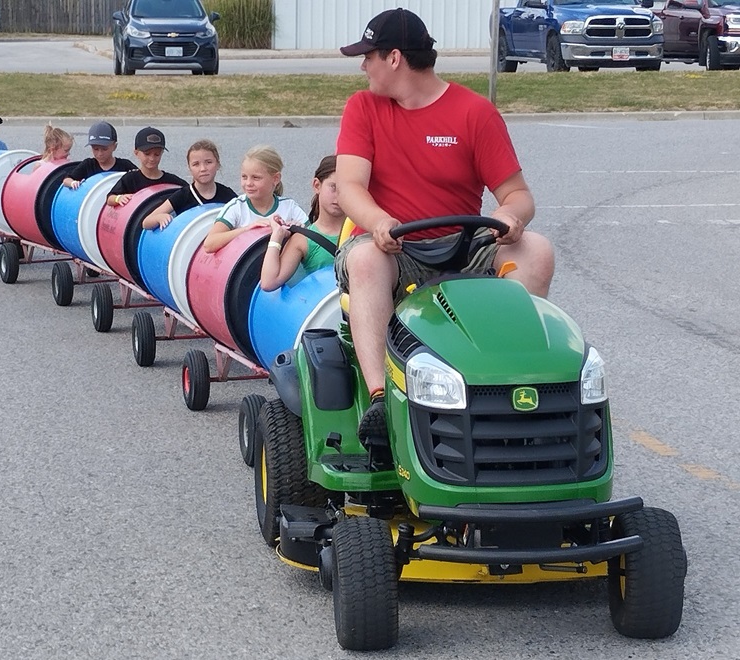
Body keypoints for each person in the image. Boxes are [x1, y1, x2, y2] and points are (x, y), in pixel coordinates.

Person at [333, 8, 555, 440]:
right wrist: (378, 221)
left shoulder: (474, 113)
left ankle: (508, 382)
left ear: (394, 58)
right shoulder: (363, 107)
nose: (363, 66)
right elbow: (350, 187)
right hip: (392, 248)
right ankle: (381, 400)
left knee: (537, 250)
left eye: (368, 56)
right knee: (365, 261)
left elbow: (518, 195)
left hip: (463, 247)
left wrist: (510, 216)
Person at [260, 155, 344, 291]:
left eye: (347, 189)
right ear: (317, 185)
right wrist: (276, 236)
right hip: (325, 303)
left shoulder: (363, 232)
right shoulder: (303, 239)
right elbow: (269, 283)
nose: (339, 196)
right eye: (333, 187)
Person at [202, 145, 307, 253]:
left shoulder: (289, 207)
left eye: (256, 178)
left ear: (275, 179)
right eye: (244, 177)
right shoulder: (236, 207)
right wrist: (247, 229)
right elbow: (209, 244)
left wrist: (299, 230)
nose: (248, 183)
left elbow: (314, 241)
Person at [142, 139, 237, 230]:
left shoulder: (227, 195)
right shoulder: (183, 195)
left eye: (208, 162)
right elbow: (146, 222)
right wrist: (159, 218)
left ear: (218, 164)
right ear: (189, 168)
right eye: (196, 164)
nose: (203, 169)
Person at [106, 127, 187, 207]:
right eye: (147, 154)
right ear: (136, 153)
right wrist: (118, 198)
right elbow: (109, 198)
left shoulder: (172, 181)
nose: (152, 158)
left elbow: (189, 192)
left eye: (157, 154)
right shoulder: (130, 179)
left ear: (162, 153)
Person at [61, 121, 134, 189]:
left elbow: (139, 177)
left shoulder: (125, 166)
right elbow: (66, 180)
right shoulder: (88, 165)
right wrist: (73, 183)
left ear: (114, 146)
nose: (100, 153)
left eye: (104, 149)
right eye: (95, 149)